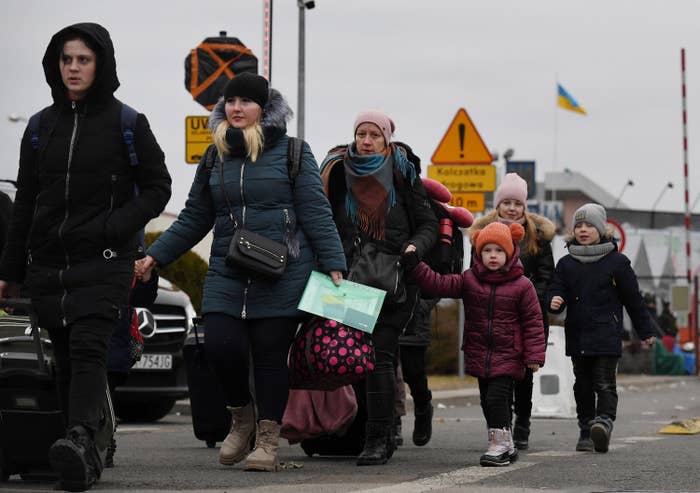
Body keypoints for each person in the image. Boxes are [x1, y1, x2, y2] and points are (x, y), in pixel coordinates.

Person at [138, 73, 346, 472]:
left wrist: (334, 262)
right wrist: (155, 256)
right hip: (229, 268)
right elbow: (196, 216)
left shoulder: (293, 152)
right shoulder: (214, 156)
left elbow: (316, 211)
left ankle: (267, 440)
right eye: (230, 101)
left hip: (283, 269)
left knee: (270, 355)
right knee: (219, 346)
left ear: (264, 109)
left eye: (245, 102)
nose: (236, 108)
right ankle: (241, 418)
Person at [0, 23, 172, 491]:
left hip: (107, 259)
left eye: (83, 60)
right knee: (65, 358)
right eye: (66, 60)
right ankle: (84, 451)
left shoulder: (128, 123)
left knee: (89, 348)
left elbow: (159, 188)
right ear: (56, 66)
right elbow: (28, 202)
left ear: (102, 65)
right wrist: (11, 271)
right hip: (51, 263)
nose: (73, 68)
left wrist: (114, 226)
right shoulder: (38, 128)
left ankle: (78, 437)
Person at [320, 111, 438, 465]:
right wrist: (332, 262)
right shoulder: (339, 173)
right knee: (353, 357)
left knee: (380, 357)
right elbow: (325, 220)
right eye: (361, 134)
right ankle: (375, 432)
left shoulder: (403, 172)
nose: (366, 141)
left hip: (394, 277)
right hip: (350, 278)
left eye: (374, 135)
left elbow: (428, 222)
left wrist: (414, 248)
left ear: (387, 139)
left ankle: (377, 438)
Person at [404, 221, 546, 467]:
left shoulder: (523, 286)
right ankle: (505, 442)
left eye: (499, 251)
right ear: (479, 253)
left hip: (509, 352)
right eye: (487, 250)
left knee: (496, 398)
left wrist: (534, 355)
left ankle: (500, 444)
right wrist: (416, 267)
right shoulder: (469, 279)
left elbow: (533, 322)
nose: (493, 255)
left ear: (510, 253)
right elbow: (438, 283)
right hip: (479, 352)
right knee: (486, 400)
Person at [547, 203, 655, 454]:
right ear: (573, 231)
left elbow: (633, 299)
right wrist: (553, 301)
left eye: (589, 226)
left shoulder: (617, 262)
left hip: (607, 333)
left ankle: (604, 423)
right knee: (582, 385)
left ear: (601, 229)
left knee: (605, 383)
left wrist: (645, 330)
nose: (583, 230)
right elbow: (555, 289)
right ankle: (586, 430)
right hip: (577, 333)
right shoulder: (566, 263)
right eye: (579, 226)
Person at [468, 172, 554, 450]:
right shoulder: (483, 234)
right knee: (492, 376)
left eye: (517, 203)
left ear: (524, 206)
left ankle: (522, 424)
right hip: (492, 316)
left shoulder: (537, 237)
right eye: (506, 202)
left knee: (523, 376)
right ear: (498, 205)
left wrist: (528, 297)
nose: (512, 208)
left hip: (529, 314)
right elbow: (475, 271)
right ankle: (497, 426)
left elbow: (546, 275)